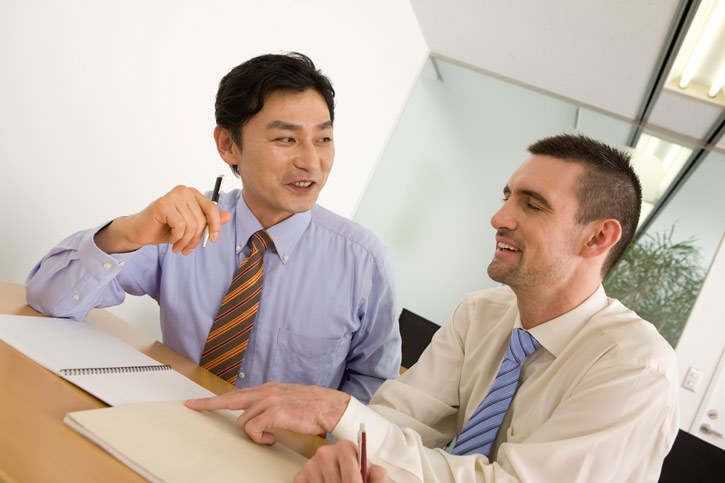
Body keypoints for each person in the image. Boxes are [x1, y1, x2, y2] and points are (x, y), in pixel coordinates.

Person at [187, 134, 680, 482]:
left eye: (532, 205)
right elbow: (399, 423)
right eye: (507, 196)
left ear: (598, 236)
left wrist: (339, 413)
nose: (498, 217)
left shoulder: (635, 368)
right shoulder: (482, 313)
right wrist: (353, 458)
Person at [25, 52, 401, 403]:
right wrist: (125, 233)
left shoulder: (364, 263)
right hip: (174, 421)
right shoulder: (185, 223)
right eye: (286, 139)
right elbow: (47, 299)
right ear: (228, 145)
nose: (310, 161)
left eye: (323, 139)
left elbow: (376, 387)